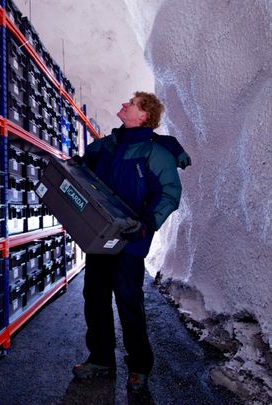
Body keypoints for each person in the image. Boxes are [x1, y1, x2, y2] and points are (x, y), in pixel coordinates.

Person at [72, 92, 190, 393]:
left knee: (129, 303)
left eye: (132, 104)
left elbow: (168, 193)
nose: (124, 104)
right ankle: (100, 358)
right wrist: (76, 168)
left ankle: (139, 366)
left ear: (144, 117)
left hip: (130, 241)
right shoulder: (106, 145)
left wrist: (148, 222)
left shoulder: (155, 153)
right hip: (99, 239)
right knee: (95, 299)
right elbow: (83, 170)